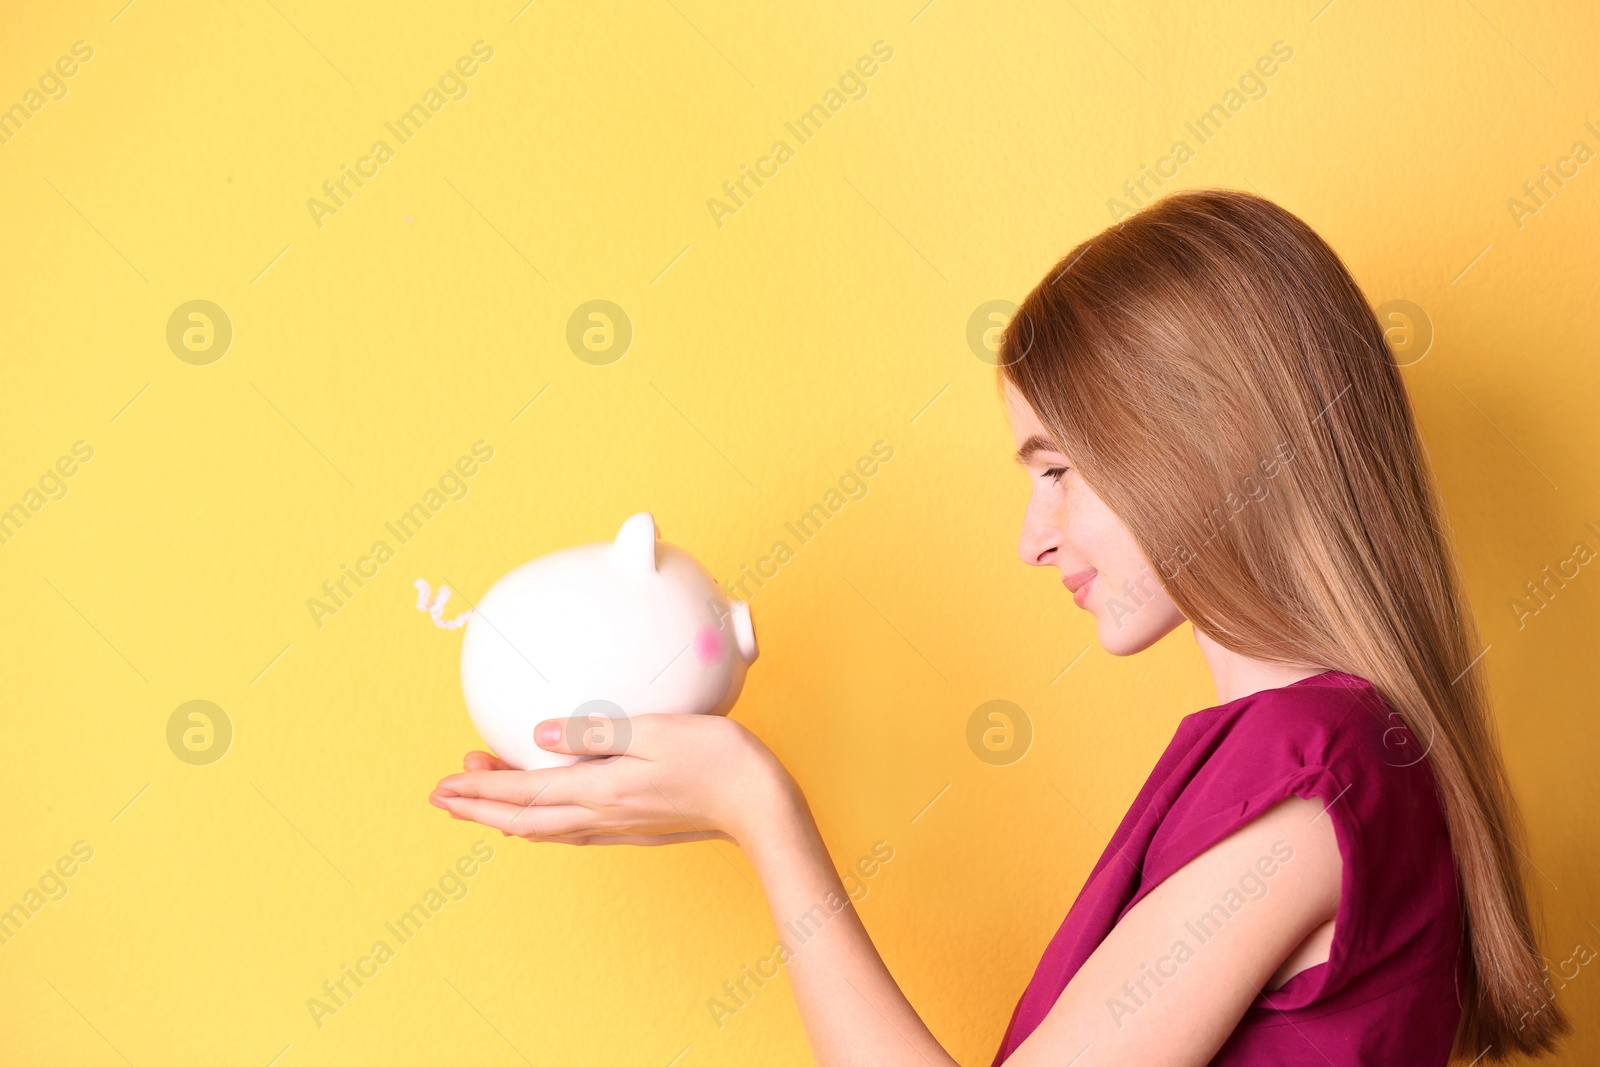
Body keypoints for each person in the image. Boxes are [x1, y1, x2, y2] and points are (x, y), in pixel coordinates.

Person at [429, 189, 1566, 1065]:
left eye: (1061, 469)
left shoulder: (1315, 777)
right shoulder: (1322, 761)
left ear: (1213, 440)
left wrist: (758, 812)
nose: (1033, 537)